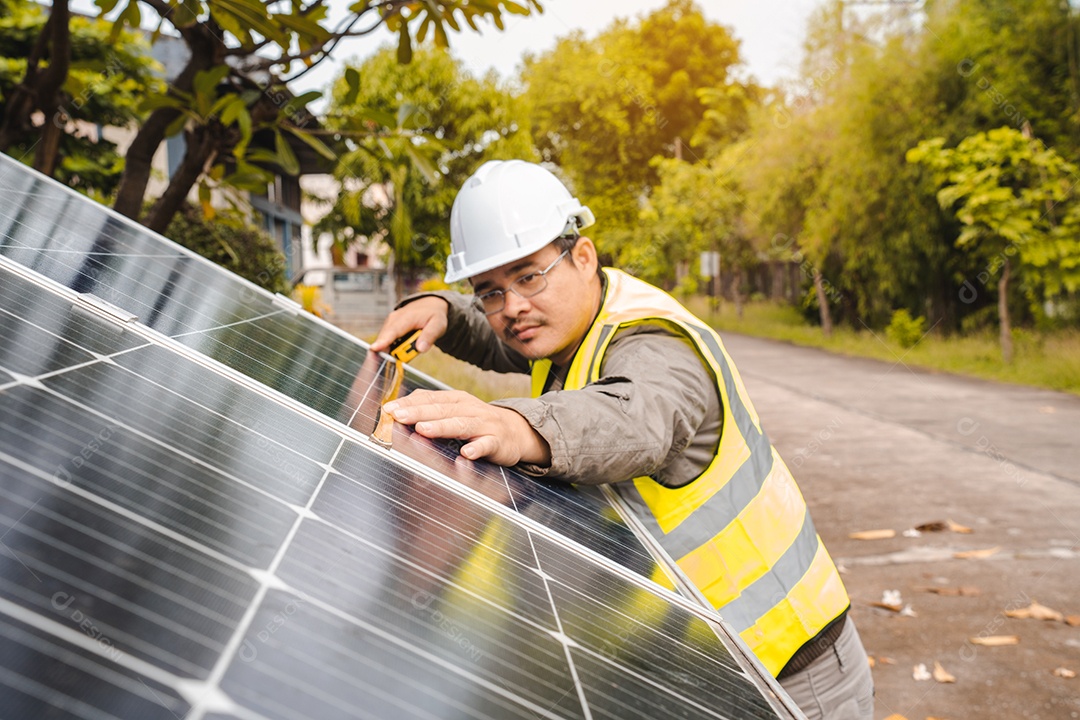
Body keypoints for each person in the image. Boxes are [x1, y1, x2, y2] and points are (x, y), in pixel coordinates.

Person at [371, 160, 874, 719]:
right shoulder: (567, 327)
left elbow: (638, 420)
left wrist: (520, 426)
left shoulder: (655, 344)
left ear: (582, 257)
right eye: (489, 291)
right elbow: (505, 337)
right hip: (705, 669)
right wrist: (445, 308)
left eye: (529, 276)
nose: (512, 306)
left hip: (789, 667)